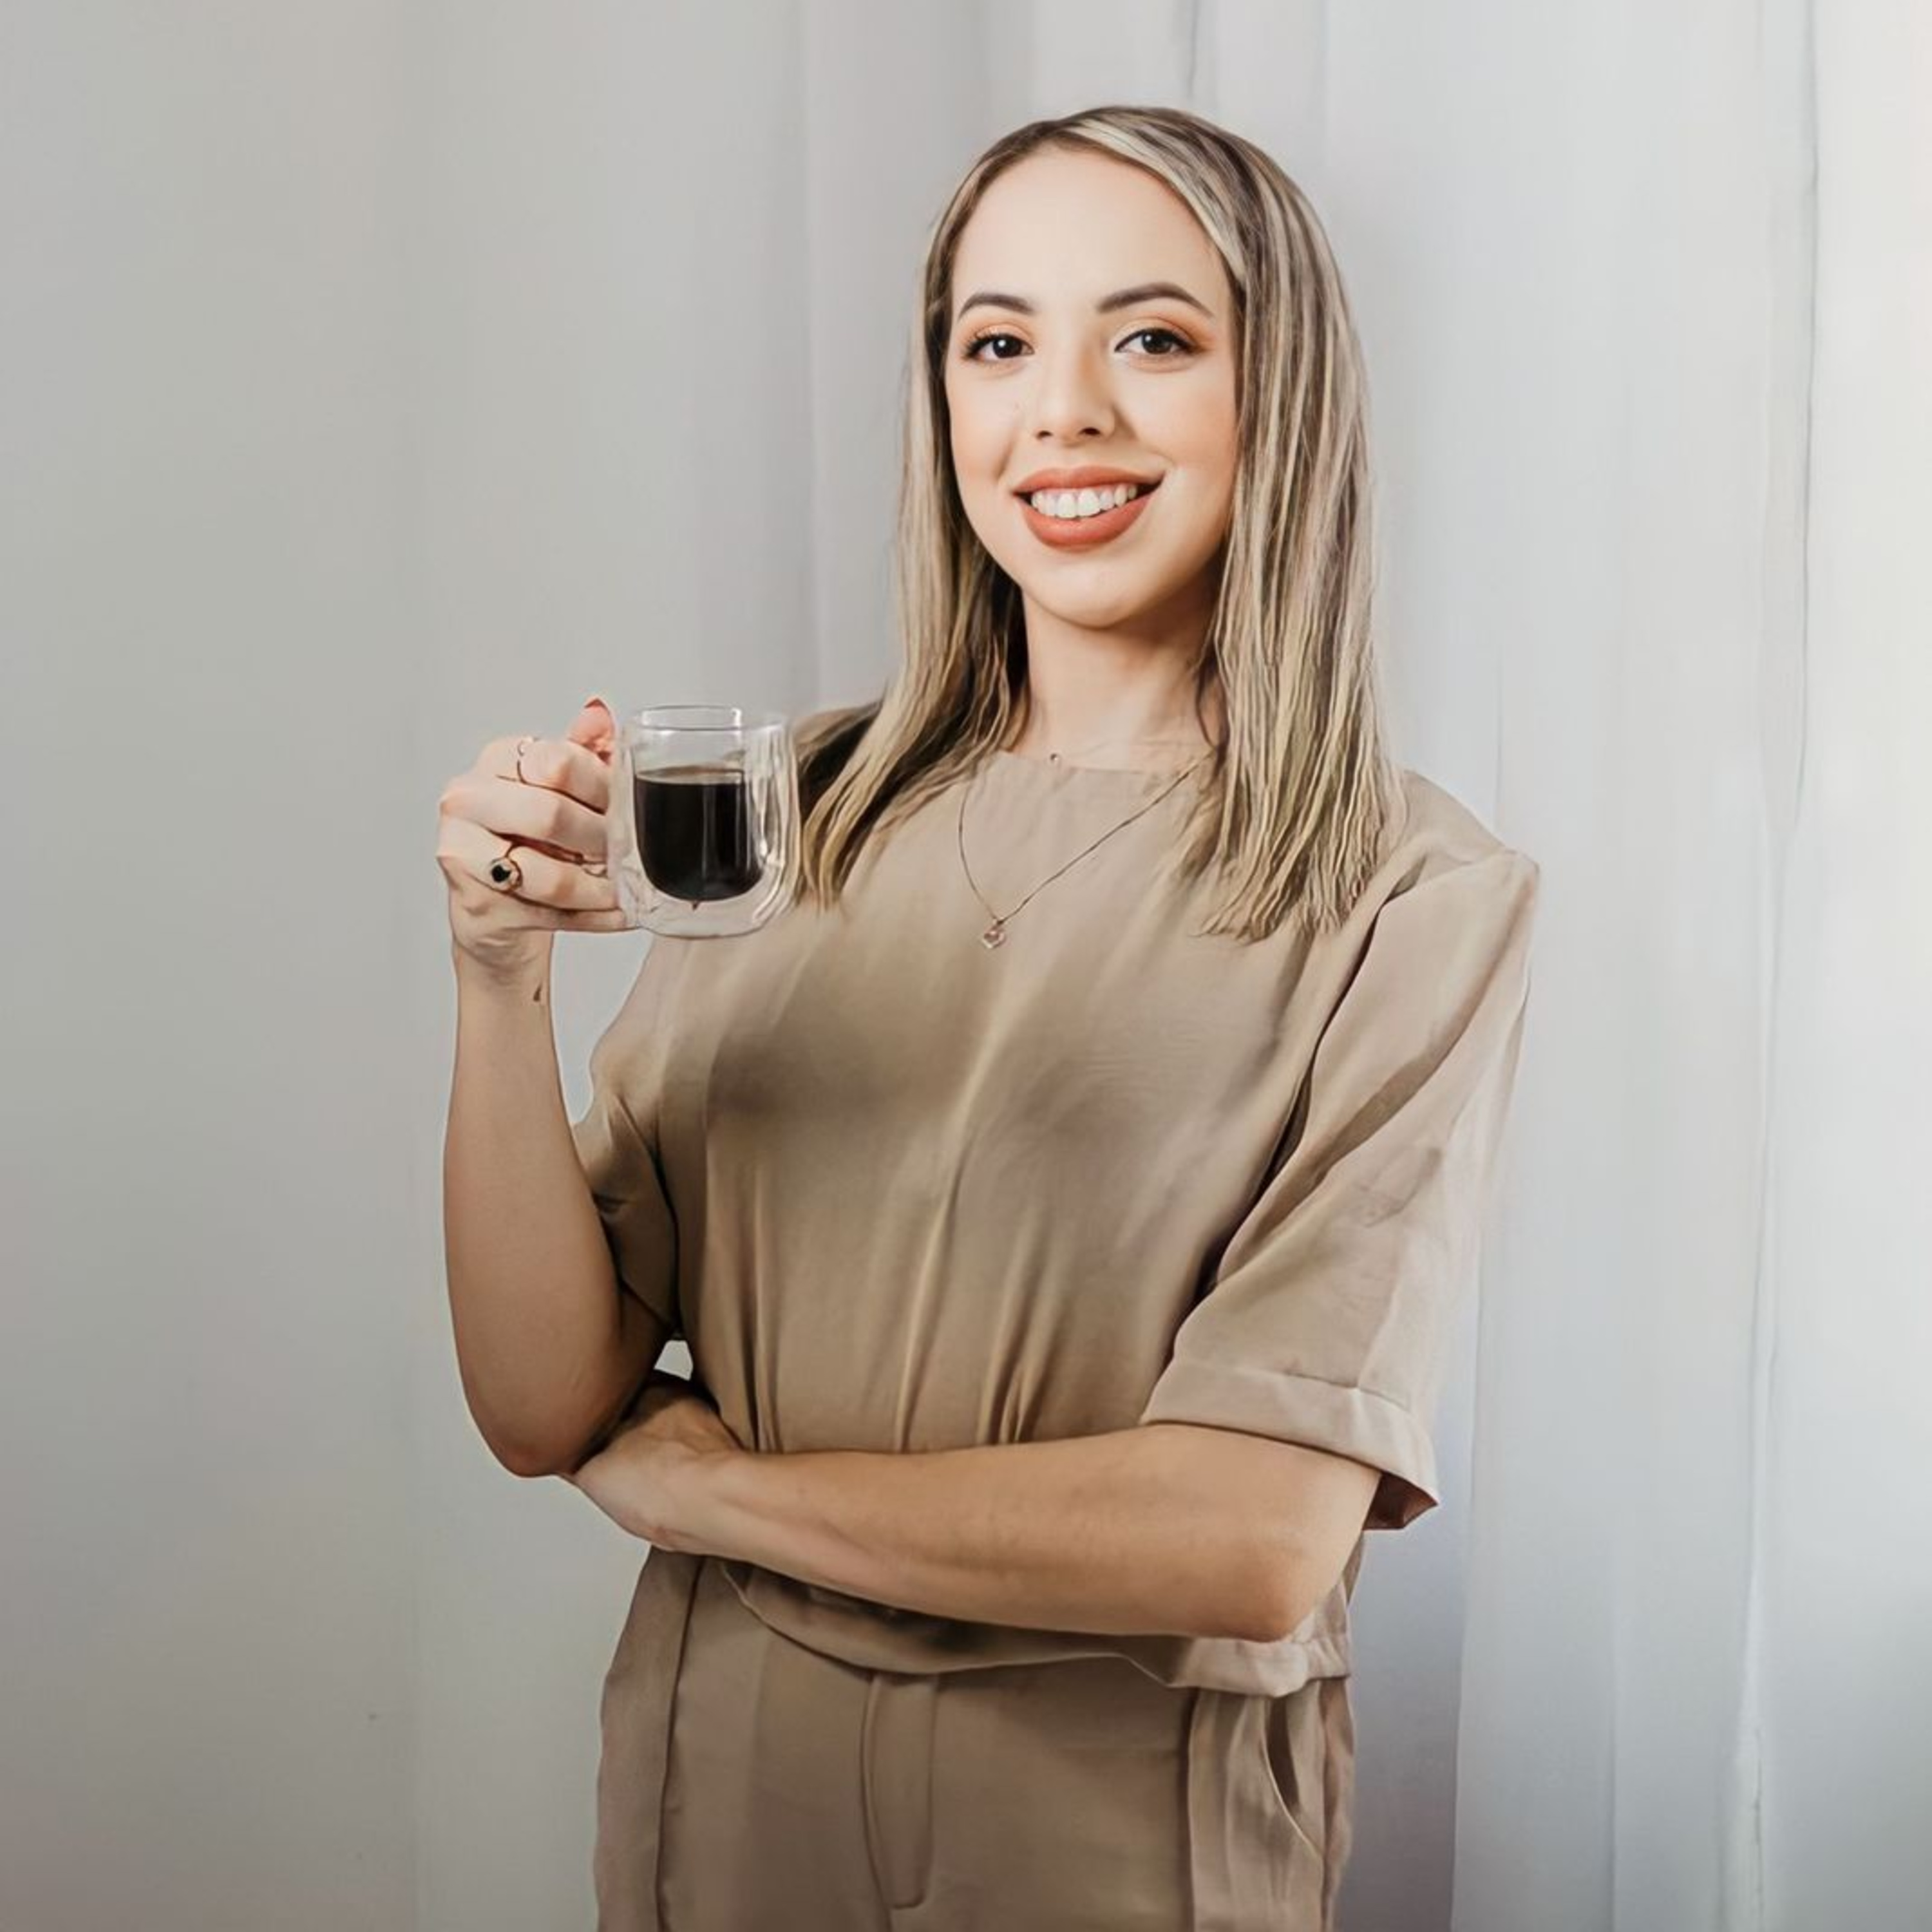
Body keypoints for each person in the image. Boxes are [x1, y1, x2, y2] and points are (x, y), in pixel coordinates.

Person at [437, 103, 1541, 1932]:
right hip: (722, 1784)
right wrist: (499, 985)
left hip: (1112, 1828)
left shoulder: (1412, 897)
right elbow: (546, 1400)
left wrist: (724, 1495)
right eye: (1000, 341)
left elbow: (1250, 1543)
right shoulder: (789, 809)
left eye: (1157, 338)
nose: (1066, 412)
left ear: (1287, 400)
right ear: (944, 401)